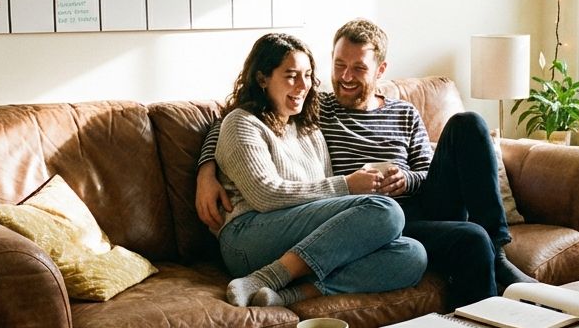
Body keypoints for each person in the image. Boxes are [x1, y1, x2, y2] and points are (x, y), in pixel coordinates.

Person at [199, 19, 534, 309]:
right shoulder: (319, 110)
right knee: (465, 239)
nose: (345, 77)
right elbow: (238, 118)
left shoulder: (402, 113)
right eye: (338, 65)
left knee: (469, 124)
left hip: (416, 207)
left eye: (358, 68)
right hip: (363, 217)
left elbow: (428, 172)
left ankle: (499, 253)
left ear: (380, 71)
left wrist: (406, 179)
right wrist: (206, 168)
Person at [212, 32, 427, 308]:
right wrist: (348, 185)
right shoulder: (242, 123)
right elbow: (266, 196)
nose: (304, 86)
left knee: (413, 254)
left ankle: (289, 295)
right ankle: (266, 277)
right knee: (387, 210)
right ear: (262, 78)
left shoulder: (308, 128)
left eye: (308, 75)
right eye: (291, 76)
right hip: (247, 238)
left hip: (301, 238)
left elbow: (326, 200)